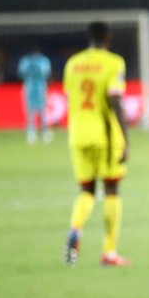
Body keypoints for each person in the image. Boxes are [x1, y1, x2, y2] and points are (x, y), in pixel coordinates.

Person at [62, 22, 130, 267]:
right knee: (112, 190)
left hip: (77, 135)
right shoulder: (114, 62)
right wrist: (126, 138)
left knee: (86, 191)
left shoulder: (72, 64)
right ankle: (109, 252)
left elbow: (70, 98)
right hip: (105, 137)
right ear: (108, 37)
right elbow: (115, 100)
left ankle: (75, 229)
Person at [18, 46, 52, 144]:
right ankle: (39, 133)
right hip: (38, 87)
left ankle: (34, 133)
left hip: (31, 87)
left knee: (33, 111)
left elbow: (21, 73)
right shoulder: (43, 60)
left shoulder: (25, 61)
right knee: (37, 111)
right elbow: (47, 73)